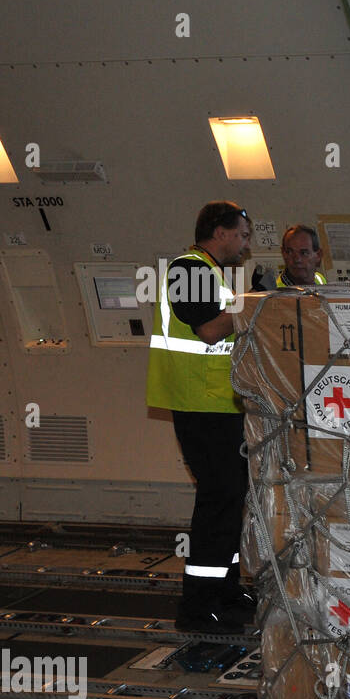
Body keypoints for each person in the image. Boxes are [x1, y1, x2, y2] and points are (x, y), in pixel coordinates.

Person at [146, 200, 255, 634]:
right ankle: (197, 607)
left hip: (218, 406)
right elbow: (210, 330)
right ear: (220, 231)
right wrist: (255, 305)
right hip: (199, 408)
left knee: (229, 501)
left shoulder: (210, 273)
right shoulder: (187, 270)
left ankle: (225, 590)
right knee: (217, 502)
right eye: (243, 235)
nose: (246, 245)